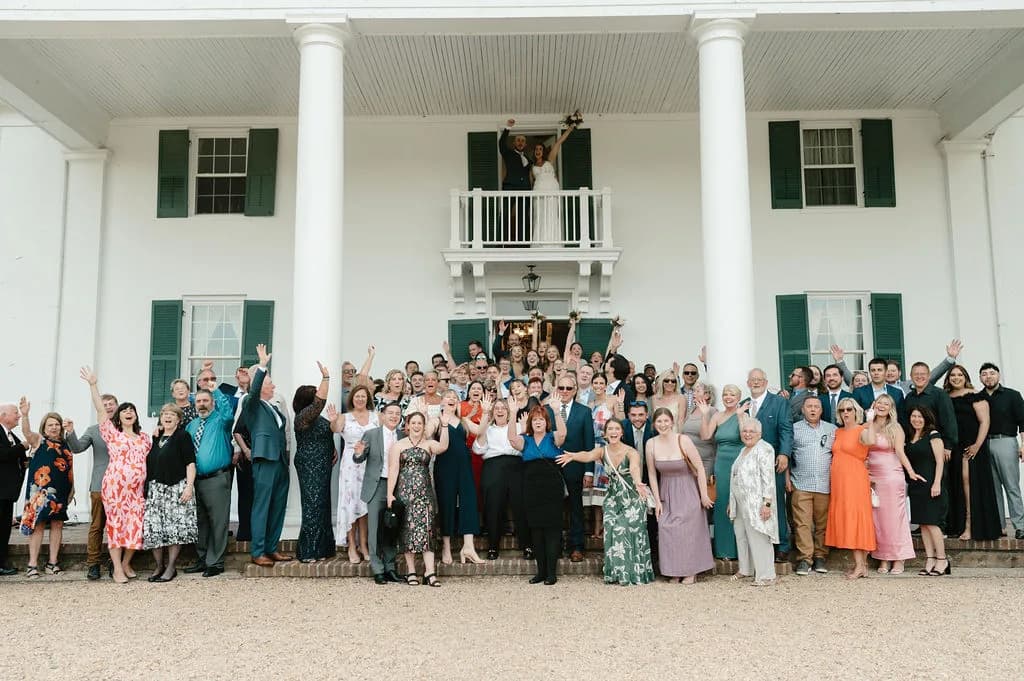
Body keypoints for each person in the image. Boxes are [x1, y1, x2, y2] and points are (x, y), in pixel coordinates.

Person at [558, 418, 654, 585]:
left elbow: (635, 468)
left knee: (628, 532)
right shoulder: (603, 451)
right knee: (612, 532)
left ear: (622, 432)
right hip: (612, 498)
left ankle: (633, 573)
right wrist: (573, 456)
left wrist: (638, 482)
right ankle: (615, 573)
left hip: (631, 496)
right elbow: (587, 455)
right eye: (610, 429)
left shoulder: (631, 452)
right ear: (605, 433)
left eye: (617, 428)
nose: (614, 432)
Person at [81, 366, 150, 584]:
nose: (128, 412)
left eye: (132, 410)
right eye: (124, 410)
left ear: (136, 415)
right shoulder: (113, 435)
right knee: (116, 526)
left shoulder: (146, 438)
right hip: (114, 490)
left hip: (136, 491)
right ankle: (117, 569)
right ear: (119, 417)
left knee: (136, 526)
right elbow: (101, 412)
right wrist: (93, 385)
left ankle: (126, 562)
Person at [645, 408, 714, 583]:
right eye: (659, 421)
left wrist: (704, 495)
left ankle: (691, 571)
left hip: (688, 488)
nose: (662, 424)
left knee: (688, 530)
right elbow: (652, 474)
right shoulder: (651, 444)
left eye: (665, 421)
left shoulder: (683, 440)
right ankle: (675, 570)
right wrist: (656, 501)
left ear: (672, 421)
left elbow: (699, 467)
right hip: (666, 490)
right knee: (668, 529)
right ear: (654, 424)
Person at [240, 344, 293, 567]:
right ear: (260, 386)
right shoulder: (250, 403)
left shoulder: (274, 407)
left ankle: (272, 548)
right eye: (270, 383)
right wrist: (262, 365)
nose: (273, 386)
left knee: (278, 505)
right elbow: (253, 390)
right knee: (262, 505)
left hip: (280, 460)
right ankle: (258, 550)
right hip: (264, 459)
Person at [386, 410, 450, 587]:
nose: (416, 426)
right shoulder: (398, 445)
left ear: (424, 426)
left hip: (424, 494)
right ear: (407, 425)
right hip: (405, 494)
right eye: (413, 423)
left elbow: (444, 446)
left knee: (427, 531)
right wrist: (389, 494)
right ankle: (411, 571)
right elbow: (393, 470)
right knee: (408, 532)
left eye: (419, 423)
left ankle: (430, 572)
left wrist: (444, 425)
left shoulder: (429, 444)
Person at [863, 394, 924, 574]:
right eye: (879, 403)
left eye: (886, 404)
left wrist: (911, 472)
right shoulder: (868, 425)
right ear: (874, 404)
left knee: (894, 518)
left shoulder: (895, 427)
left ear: (891, 408)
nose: (882, 406)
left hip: (891, 476)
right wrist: (869, 419)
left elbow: (900, 451)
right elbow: (867, 444)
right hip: (872, 476)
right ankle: (883, 557)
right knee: (878, 519)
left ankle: (899, 558)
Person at [508, 404, 567, 585]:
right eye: (535, 420)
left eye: (541, 419)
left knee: (552, 530)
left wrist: (557, 411)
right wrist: (512, 413)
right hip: (532, 488)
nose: (538, 422)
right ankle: (540, 572)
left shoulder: (552, 437)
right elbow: (511, 438)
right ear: (530, 423)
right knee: (536, 531)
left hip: (552, 488)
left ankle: (551, 573)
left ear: (546, 422)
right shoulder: (525, 439)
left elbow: (563, 434)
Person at [183, 376, 235, 578]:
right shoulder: (192, 425)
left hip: (216, 479)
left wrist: (217, 391)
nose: (202, 404)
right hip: (196, 481)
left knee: (218, 522)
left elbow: (229, 413)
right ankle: (203, 558)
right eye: (199, 401)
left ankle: (216, 562)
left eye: (206, 400)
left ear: (212, 402)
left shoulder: (221, 421)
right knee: (200, 522)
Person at [17, 399, 74, 578]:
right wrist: (25, 415)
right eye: (50, 424)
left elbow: (70, 467)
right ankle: (32, 564)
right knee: (37, 525)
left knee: (58, 524)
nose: (54, 427)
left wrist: (72, 489)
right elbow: (26, 432)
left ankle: (53, 562)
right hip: (38, 492)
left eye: (57, 424)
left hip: (60, 491)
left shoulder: (66, 445)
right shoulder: (38, 440)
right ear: (44, 426)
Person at [943, 364, 1001, 540]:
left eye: (960, 374)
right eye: (952, 375)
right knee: (955, 484)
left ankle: (970, 525)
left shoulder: (976, 395)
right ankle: (956, 525)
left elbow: (985, 422)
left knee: (968, 482)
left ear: (965, 377)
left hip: (971, 445)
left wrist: (977, 445)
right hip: (953, 446)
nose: (956, 378)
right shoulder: (945, 397)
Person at [141, 403, 197, 583]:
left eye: (172, 414)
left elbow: (190, 463)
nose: (168, 416)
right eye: (164, 413)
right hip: (156, 490)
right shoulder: (155, 438)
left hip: (176, 488)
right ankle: (159, 566)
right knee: (154, 529)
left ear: (178, 419)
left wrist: (189, 487)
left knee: (174, 530)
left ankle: (171, 567)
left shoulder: (183, 436)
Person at [65, 392, 117, 581]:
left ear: (117, 407)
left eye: (111, 404)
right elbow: (77, 448)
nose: (108, 407)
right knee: (96, 526)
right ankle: (93, 564)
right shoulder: (94, 430)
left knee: (117, 527)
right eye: (104, 405)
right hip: (99, 484)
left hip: (121, 487)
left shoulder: (126, 429)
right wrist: (71, 432)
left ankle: (115, 562)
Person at [745, 368, 793, 562]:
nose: (756, 383)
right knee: (753, 502)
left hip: (772, 460)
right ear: (748, 383)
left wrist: (784, 454)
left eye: (759, 380)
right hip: (749, 462)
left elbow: (786, 430)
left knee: (774, 501)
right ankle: (760, 544)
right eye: (752, 380)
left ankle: (781, 544)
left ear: (765, 383)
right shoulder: (744, 405)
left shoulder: (779, 402)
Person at [825, 398, 876, 580]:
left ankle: (860, 565)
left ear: (856, 411)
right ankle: (862, 564)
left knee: (856, 519)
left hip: (855, 479)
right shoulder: (838, 432)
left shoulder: (861, 429)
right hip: (840, 482)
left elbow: (871, 441)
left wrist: (870, 422)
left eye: (849, 409)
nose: (845, 413)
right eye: (842, 410)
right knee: (848, 519)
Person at [292, 362, 338, 563]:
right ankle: (308, 551)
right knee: (312, 505)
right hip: (310, 465)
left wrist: (332, 448)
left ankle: (323, 548)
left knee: (323, 505)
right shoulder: (302, 417)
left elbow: (326, 434)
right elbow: (320, 402)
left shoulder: (318, 419)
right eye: (316, 394)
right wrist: (326, 378)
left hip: (324, 464)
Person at [353, 403, 403, 584]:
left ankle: (390, 568)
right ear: (382, 415)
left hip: (396, 487)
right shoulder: (371, 434)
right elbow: (359, 458)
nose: (394, 416)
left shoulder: (403, 436)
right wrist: (358, 453)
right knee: (374, 529)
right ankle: (378, 569)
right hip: (376, 486)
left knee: (392, 528)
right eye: (390, 413)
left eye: (397, 413)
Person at [547, 374, 595, 562]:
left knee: (576, 507)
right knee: (553, 508)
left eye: (569, 388)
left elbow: (589, 441)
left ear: (575, 390)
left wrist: (589, 470)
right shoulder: (547, 410)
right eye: (561, 388)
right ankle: (555, 546)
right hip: (551, 465)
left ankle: (577, 546)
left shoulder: (584, 411)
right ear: (556, 390)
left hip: (575, 464)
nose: (565, 392)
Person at [787, 398, 837, 576]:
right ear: (803, 409)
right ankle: (804, 559)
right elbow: (787, 454)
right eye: (809, 406)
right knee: (803, 524)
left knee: (823, 524)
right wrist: (787, 479)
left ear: (822, 410)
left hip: (824, 484)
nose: (813, 409)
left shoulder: (831, 429)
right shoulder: (795, 429)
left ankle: (820, 556)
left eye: (816, 406)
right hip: (801, 483)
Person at [473, 397, 527, 559]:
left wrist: (523, 428)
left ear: (509, 411)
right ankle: (493, 547)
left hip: (516, 465)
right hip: (493, 466)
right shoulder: (487, 429)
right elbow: (478, 449)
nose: (500, 410)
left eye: (503, 408)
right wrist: (485, 417)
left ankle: (527, 545)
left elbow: (525, 445)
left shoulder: (519, 426)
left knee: (521, 505)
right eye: (496, 408)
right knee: (493, 506)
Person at [436, 390, 484, 565]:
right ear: (442, 402)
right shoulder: (436, 420)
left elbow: (479, 430)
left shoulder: (463, 421)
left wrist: (485, 412)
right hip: (445, 466)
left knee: (468, 501)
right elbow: (426, 436)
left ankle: (468, 547)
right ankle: (446, 546)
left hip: (464, 464)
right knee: (446, 503)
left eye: (454, 398)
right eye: (448, 397)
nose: (451, 399)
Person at [729, 417, 778, 586]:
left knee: (759, 536)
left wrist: (767, 503)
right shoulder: (743, 450)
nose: (747, 434)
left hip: (756, 502)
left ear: (760, 433)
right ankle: (746, 569)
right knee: (741, 535)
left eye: (751, 431)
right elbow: (736, 477)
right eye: (744, 431)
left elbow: (768, 478)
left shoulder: (764, 449)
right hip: (740, 501)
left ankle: (766, 575)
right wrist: (732, 501)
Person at [978, 362, 1024, 539]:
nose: (988, 376)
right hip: (984, 444)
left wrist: (1023, 445)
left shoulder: (1012, 395)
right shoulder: (978, 397)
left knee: (1011, 486)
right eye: (984, 374)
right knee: (992, 488)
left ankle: (1020, 526)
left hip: (1006, 442)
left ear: (998, 375)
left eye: (991, 373)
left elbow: (1022, 421)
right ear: (980, 377)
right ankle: (998, 526)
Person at [698, 384, 744, 559]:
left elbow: (745, 437)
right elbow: (705, 436)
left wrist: (740, 418)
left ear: (738, 397)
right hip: (721, 463)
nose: (728, 397)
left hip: (738, 462)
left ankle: (741, 549)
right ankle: (724, 550)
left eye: (732, 394)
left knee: (738, 504)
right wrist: (704, 415)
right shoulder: (717, 415)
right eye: (725, 394)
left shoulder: (743, 414)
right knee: (722, 502)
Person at [335, 384, 377, 564]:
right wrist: (333, 419)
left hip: (370, 463)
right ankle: (352, 545)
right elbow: (335, 429)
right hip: (350, 464)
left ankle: (364, 544)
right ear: (351, 398)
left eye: (363, 396)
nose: (360, 399)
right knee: (350, 504)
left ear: (368, 398)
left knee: (365, 505)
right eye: (357, 396)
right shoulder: (345, 417)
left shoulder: (376, 417)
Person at [905, 407, 949, 576]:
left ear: (926, 418)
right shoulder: (911, 437)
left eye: (920, 417)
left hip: (931, 484)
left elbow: (940, 462)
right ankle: (930, 559)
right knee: (923, 523)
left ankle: (942, 560)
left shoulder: (933, 435)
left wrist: (937, 483)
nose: (916, 419)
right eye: (913, 416)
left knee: (932, 522)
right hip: (917, 486)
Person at [585, 374, 622, 537]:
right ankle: (597, 528)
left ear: (606, 385)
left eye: (601, 383)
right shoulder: (590, 404)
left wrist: (620, 405)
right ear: (592, 385)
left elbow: (622, 421)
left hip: (609, 447)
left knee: (608, 489)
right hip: (593, 449)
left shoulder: (612, 400)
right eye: (595, 383)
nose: (598, 385)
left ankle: (609, 526)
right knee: (596, 491)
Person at [530, 122, 577, 244]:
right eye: (536, 149)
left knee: (551, 214)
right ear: (534, 152)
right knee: (540, 216)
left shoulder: (549, 159)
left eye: (540, 149)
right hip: (538, 191)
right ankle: (539, 242)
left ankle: (552, 241)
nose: (538, 151)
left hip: (551, 189)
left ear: (543, 151)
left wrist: (569, 129)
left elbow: (558, 142)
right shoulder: (532, 166)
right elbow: (531, 181)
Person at [901, 362, 958, 456]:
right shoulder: (909, 397)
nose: (919, 377)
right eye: (916, 374)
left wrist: (948, 446)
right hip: (914, 447)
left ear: (929, 376)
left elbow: (949, 421)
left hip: (936, 447)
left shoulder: (940, 395)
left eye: (922, 374)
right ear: (911, 376)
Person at [0, 404, 29, 576]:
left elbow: (17, 456)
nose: (18, 416)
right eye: (15, 413)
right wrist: (23, 447)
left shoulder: (11, 435)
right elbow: (3, 454)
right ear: (3, 415)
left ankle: (1, 563)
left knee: (4, 529)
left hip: (7, 492)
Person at [679, 382, 717, 491]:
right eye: (694, 391)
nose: (694, 393)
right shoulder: (692, 410)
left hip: (704, 461)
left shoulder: (712, 411)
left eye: (698, 391)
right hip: (688, 461)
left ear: (707, 395)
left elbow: (707, 436)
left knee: (702, 493)